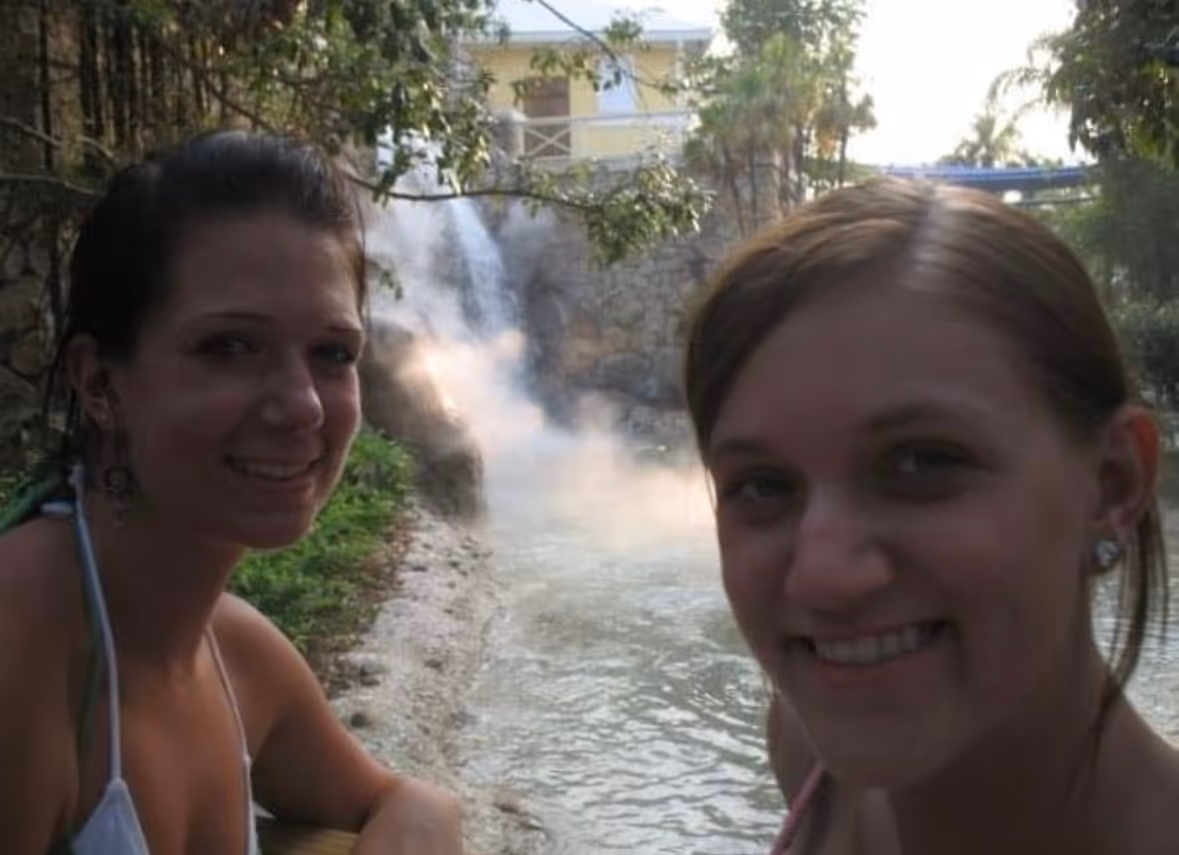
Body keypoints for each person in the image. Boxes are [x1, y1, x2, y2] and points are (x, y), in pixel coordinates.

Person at [682, 177, 1179, 855]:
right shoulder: (812, 752)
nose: (822, 574)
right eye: (762, 486)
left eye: (923, 462)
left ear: (1112, 483)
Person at [0, 131, 464, 855]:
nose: (303, 406)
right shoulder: (23, 647)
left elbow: (402, 799)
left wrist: (424, 810)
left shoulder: (238, 654)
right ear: (99, 382)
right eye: (230, 347)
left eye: (332, 353)